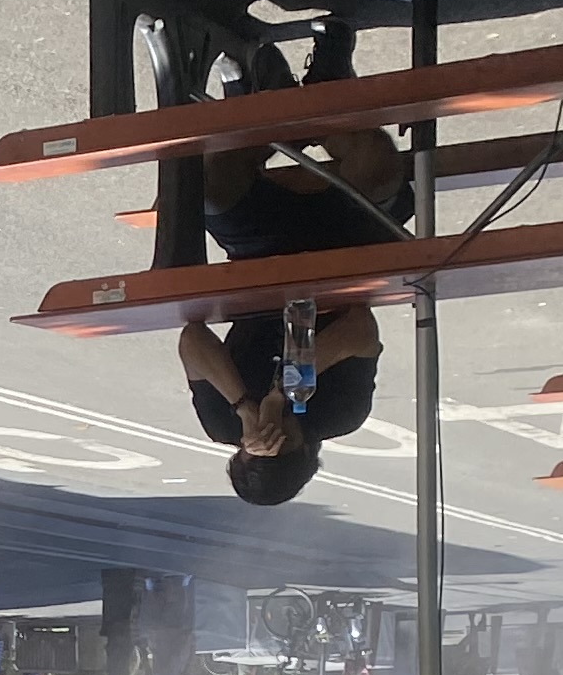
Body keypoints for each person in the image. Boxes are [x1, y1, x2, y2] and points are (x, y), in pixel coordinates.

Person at [172, 25, 409, 508]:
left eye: (254, 444)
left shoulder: (223, 422)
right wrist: (285, 390)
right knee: (378, 161)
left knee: (213, 189)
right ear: (307, 447)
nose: (268, 431)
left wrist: (243, 404)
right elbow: (362, 328)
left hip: (260, 256)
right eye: (282, 440)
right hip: (345, 251)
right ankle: (319, 87)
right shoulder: (339, 414)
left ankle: (254, 99)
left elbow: (192, 339)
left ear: (237, 451)